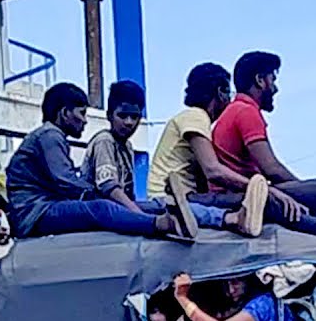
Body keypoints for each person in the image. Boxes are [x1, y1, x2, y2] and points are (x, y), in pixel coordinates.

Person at [146, 64, 316, 248]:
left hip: (193, 199)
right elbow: (214, 170)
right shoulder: (196, 116)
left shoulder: (207, 123)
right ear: (220, 92)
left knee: (290, 203)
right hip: (177, 201)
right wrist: (269, 190)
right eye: (273, 79)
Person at [212, 52, 316, 239]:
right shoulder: (246, 112)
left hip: (239, 193)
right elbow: (272, 169)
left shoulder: (232, 112)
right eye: (273, 79)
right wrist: (306, 190)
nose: (276, 88)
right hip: (243, 195)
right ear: (260, 80)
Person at [7, 82, 194, 240]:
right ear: (64, 113)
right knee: (101, 208)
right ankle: (162, 224)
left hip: (49, 206)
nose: (85, 121)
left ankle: (188, 217)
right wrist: (99, 196)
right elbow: (66, 181)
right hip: (35, 212)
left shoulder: (53, 136)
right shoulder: (49, 135)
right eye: (82, 113)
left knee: (148, 205)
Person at [82, 80, 268, 237]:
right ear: (109, 115)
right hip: (105, 209)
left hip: (123, 208)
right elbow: (110, 188)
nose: (129, 122)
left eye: (135, 116)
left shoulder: (126, 146)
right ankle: (231, 219)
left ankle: (233, 217)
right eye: (122, 116)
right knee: (175, 207)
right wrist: (139, 217)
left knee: (176, 208)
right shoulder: (104, 141)